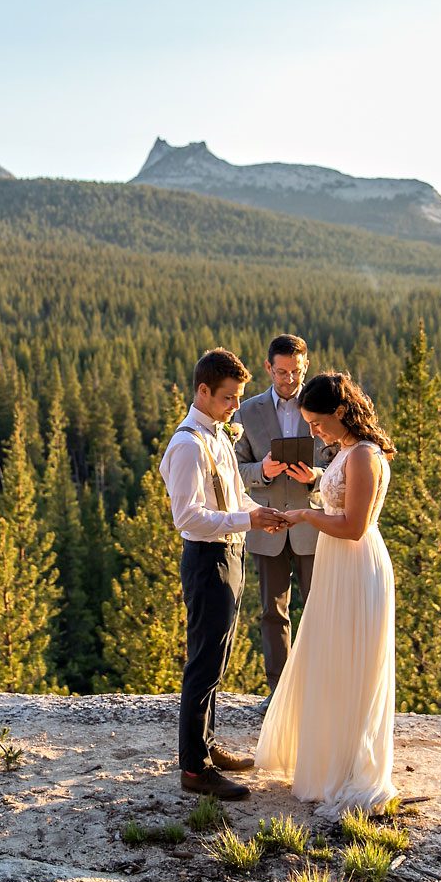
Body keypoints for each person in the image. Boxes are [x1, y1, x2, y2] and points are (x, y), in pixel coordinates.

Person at [254, 371, 400, 815]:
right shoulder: (347, 451)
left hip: (355, 564)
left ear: (340, 412)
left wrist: (305, 515)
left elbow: (354, 527)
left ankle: (349, 767)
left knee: (349, 661)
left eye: (317, 423)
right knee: (328, 656)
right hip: (336, 564)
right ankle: (328, 759)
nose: (314, 431)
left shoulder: (364, 457)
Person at [158, 348, 288, 799]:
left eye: (239, 397)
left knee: (219, 659)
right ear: (203, 391)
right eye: (230, 397)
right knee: (202, 664)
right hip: (206, 560)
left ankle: (209, 746)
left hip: (231, 555)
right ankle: (194, 769)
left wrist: (260, 512)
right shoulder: (188, 445)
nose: (237, 406)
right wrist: (246, 522)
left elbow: (233, 499)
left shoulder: (220, 437)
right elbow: (189, 518)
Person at [232, 334, 334, 699]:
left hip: (312, 525)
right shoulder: (246, 412)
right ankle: (279, 696)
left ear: (305, 366)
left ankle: (318, 694)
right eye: (281, 372)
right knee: (273, 614)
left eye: (295, 372)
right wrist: (264, 469)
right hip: (268, 525)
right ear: (268, 368)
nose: (288, 379)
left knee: (318, 613)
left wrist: (316, 477)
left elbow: (340, 463)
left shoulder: (324, 406)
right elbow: (234, 470)